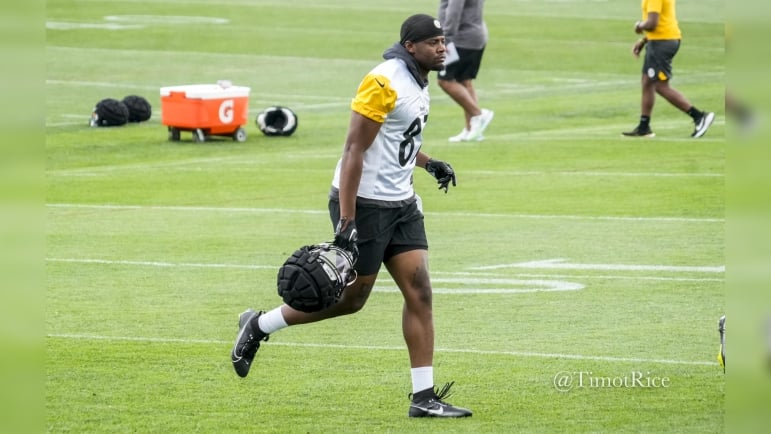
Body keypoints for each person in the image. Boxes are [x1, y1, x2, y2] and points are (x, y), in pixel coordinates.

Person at [230, 13, 472, 419]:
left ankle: (423, 397)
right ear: (411, 46)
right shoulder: (383, 81)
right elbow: (353, 151)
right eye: (433, 42)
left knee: (421, 293)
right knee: (352, 299)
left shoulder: (417, 79)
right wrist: (347, 221)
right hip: (364, 203)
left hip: (402, 203)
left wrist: (428, 164)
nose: (442, 48)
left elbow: (397, 141)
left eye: (443, 41)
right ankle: (259, 325)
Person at [623, 0, 714, 138]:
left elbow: (652, 23)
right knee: (647, 81)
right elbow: (663, 19)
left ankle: (699, 117)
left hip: (662, 42)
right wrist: (644, 40)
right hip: (661, 39)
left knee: (659, 85)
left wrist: (638, 26)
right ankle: (644, 127)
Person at [437, 0, 493, 142]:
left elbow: (454, 9)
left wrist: (445, 36)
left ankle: (478, 115)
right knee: (464, 81)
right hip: (475, 36)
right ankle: (472, 130)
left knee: (445, 81)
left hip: (460, 39)